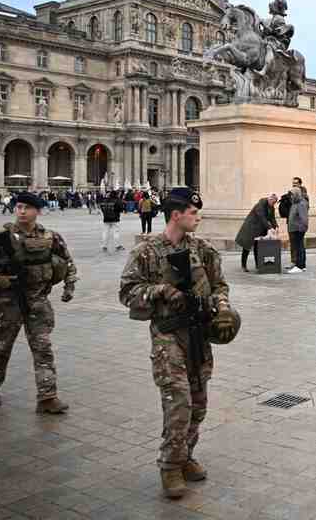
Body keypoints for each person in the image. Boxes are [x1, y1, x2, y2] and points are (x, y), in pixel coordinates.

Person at [119, 187, 236, 499]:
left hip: (199, 335)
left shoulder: (203, 249)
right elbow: (127, 292)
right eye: (193, 213)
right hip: (168, 335)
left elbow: (220, 285)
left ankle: (185, 455)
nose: (197, 217)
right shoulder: (146, 252)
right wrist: (159, 291)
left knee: (199, 403)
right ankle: (170, 466)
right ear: (176, 215)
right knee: (179, 402)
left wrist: (223, 309)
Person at [0, 192, 77, 412]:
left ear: (38, 210)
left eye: (27, 207)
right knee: (1, 348)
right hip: (8, 303)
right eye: (19, 207)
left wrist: (69, 286)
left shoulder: (50, 236)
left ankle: (47, 397)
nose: (22, 211)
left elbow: (67, 261)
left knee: (43, 349)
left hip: (37, 302)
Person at [235, 193, 278, 271]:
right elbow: (262, 217)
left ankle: (258, 265)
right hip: (251, 228)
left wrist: (275, 226)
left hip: (260, 229)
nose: (273, 204)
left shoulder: (271, 207)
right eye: (273, 202)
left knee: (258, 248)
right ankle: (243, 266)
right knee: (246, 247)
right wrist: (270, 227)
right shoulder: (260, 205)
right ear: (269, 199)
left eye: (274, 203)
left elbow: (272, 218)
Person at [287, 186, 309, 273]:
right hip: (294, 229)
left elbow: (303, 218)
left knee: (299, 248)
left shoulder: (301, 204)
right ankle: (301, 265)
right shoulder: (295, 203)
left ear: (296, 194)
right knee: (299, 247)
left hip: (298, 229)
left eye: (292, 195)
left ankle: (299, 266)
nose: (291, 196)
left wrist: (301, 228)